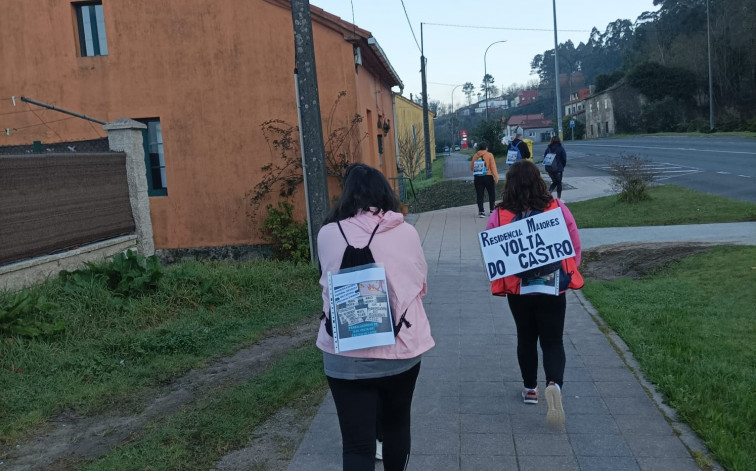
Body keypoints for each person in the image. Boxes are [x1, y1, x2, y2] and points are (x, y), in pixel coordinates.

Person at [316, 163, 435, 470]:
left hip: (344, 355)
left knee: (356, 444)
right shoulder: (406, 232)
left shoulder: (327, 234)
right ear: (385, 192)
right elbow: (420, 284)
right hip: (400, 350)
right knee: (397, 427)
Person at [485, 160, 583, 428]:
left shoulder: (499, 215)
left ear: (510, 185)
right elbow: (573, 243)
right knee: (553, 340)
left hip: (520, 289)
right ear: (539, 180)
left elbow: (492, 254)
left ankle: (530, 390)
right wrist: (570, 270)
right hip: (552, 286)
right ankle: (555, 384)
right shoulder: (557, 209)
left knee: (526, 338)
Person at [469, 141, 499, 217]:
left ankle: (481, 211)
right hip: (488, 176)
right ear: (486, 148)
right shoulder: (489, 155)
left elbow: (472, 168)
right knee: (491, 193)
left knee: (480, 194)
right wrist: (496, 177)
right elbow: (493, 167)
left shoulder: (475, 156)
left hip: (478, 177)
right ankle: (492, 210)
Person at [543, 135, 567, 200]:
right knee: (559, 183)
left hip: (549, 169)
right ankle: (558, 198)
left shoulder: (548, 148)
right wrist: (562, 166)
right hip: (558, 169)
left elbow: (545, 158)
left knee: (554, 181)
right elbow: (564, 159)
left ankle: (549, 193)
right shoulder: (560, 148)